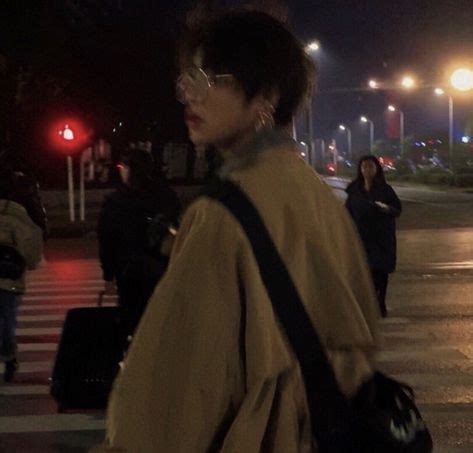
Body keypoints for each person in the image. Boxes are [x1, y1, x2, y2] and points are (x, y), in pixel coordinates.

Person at [103, 10, 379, 452]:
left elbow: (175, 395)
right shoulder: (317, 196)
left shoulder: (222, 213)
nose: (189, 94)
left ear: (265, 98)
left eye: (211, 77)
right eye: (187, 79)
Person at [97, 148, 181, 339]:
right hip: (161, 267)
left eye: (122, 167)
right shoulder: (167, 196)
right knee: (159, 319)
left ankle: (133, 359)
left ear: (129, 169)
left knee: (132, 320)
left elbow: (107, 239)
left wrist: (108, 274)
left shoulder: (116, 201)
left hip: (129, 271)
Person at [345, 155, 402, 317]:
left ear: (377, 169)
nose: (367, 170)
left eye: (370, 166)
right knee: (366, 272)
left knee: (381, 271)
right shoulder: (354, 189)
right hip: (361, 237)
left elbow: (397, 209)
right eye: (364, 167)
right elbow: (347, 210)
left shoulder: (385, 189)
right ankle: (369, 303)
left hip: (381, 237)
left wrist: (386, 209)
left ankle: (381, 302)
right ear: (360, 169)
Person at [0, 169, 43, 382]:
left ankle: (9, 358)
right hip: (9, 279)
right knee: (6, 322)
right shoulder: (15, 211)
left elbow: (29, 241)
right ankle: (9, 357)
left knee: (6, 322)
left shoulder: (13, 212)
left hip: (7, 279)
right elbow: (30, 243)